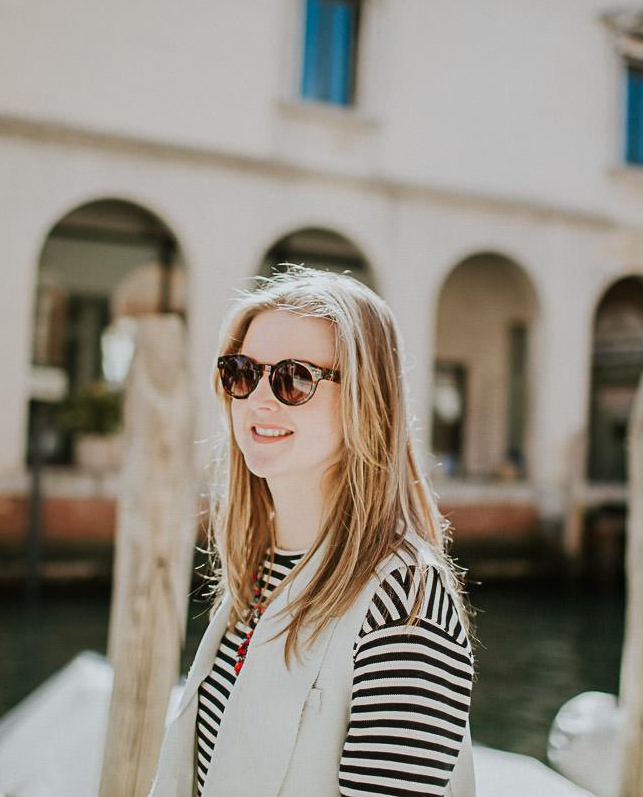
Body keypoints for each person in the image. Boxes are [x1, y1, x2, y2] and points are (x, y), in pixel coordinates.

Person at [151, 266, 475, 797]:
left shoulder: (405, 602)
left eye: (294, 378)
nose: (258, 398)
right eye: (242, 372)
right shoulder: (259, 571)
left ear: (366, 400)